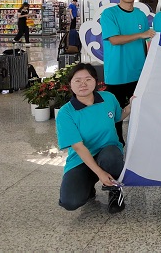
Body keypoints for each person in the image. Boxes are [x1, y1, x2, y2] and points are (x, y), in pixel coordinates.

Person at [56, 63, 131, 214]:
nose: (83, 84)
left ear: (96, 81)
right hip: (81, 158)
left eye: (88, 79)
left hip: (108, 151)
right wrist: (99, 172)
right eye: (77, 80)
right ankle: (89, 183)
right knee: (70, 202)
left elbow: (117, 117)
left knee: (111, 157)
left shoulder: (108, 98)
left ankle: (115, 191)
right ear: (70, 84)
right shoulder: (66, 113)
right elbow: (78, 147)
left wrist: (131, 106)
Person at [100, 0, 154, 145]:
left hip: (137, 72)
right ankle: (117, 144)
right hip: (116, 73)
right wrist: (140, 35)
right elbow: (114, 40)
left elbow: (145, 43)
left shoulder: (140, 15)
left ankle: (138, 144)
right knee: (116, 114)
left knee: (139, 111)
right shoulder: (109, 14)